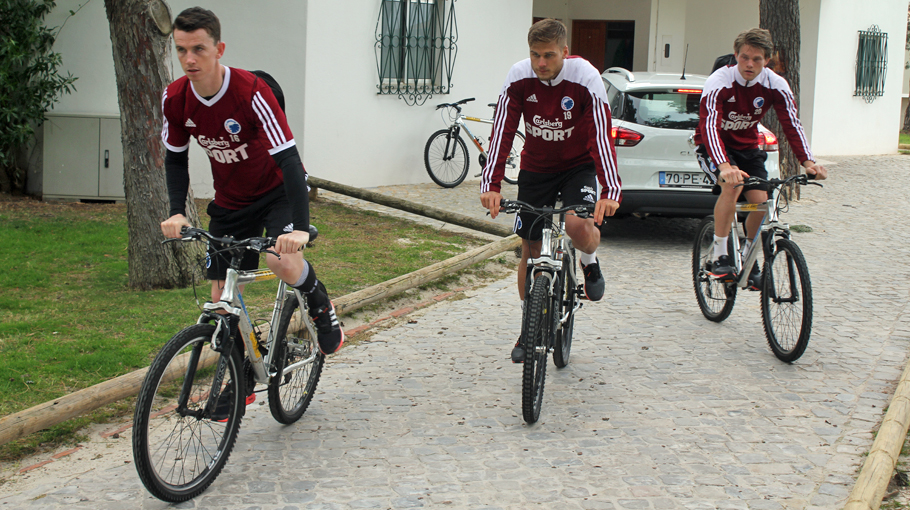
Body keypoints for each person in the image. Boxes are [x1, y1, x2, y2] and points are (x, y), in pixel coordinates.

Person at [159, 7, 343, 355]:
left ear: (219, 49)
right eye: (181, 49)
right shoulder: (175, 98)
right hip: (232, 200)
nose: (189, 58)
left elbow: (289, 159)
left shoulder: (251, 91)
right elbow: (175, 158)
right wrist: (176, 212)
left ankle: (318, 303)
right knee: (221, 298)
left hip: (278, 191)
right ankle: (242, 372)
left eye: (198, 48)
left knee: (281, 260)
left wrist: (300, 228)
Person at [479, 19, 622, 363]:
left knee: (576, 226)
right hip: (537, 168)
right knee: (529, 245)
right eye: (534, 55)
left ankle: (589, 260)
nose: (541, 63)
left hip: (578, 166)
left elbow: (601, 134)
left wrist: (610, 190)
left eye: (549, 55)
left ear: (565, 53)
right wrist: (492, 184)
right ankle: (528, 327)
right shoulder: (518, 76)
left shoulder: (585, 78)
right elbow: (503, 130)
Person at [694, 28, 827, 288]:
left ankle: (748, 255)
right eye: (744, 57)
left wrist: (808, 161)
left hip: (748, 148)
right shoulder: (720, 81)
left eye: (756, 59)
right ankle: (721, 254)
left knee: (761, 201)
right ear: (736, 55)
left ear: (767, 60)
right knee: (732, 186)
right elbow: (709, 126)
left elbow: (791, 123)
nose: (749, 64)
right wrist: (724, 165)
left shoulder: (775, 84)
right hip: (714, 148)